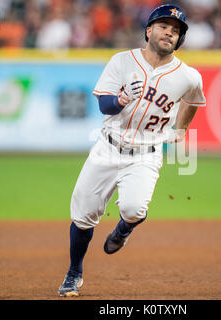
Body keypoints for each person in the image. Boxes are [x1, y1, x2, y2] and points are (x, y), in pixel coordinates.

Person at [58, 4, 206, 297]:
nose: (169, 33)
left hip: (146, 153)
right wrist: (123, 98)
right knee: (83, 216)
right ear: (149, 30)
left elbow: (194, 100)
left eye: (175, 31)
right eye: (163, 27)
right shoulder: (122, 61)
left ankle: (123, 230)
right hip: (107, 148)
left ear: (179, 40)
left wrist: (181, 129)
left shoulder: (188, 76)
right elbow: (104, 105)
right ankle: (74, 272)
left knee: (134, 209)